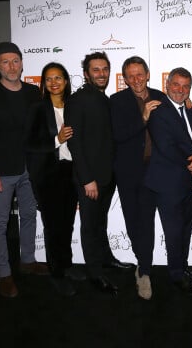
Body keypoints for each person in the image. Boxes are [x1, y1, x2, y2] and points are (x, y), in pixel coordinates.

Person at [0, 41, 49, 298]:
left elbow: (39, 131)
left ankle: (27, 261)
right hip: (1, 172)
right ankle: (4, 274)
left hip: (30, 170)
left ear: (21, 63)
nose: (11, 66)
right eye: (5, 62)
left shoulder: (32, 92)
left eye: (15, 60)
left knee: (28, 216)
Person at [65, 51, 134, 295]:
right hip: (90, 179)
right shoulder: (78, 100)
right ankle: (95, 273)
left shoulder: (104, 98)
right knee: (89, 225)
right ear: (86, 73)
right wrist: (87, 179)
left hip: (107, 177)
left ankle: (106, 259)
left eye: (105, 69)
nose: (101, 74)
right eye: (96, 70)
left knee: (100, 223)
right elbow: (75, 144)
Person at [144, 67, 192, 295]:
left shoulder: (191, 111)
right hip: (167, 183)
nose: (180, 90)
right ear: (167, 85)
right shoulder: (159, 111)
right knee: (174, 231)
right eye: (176, 85)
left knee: (186, 228)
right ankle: (177, 275)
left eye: (185, 86)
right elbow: (167, 146)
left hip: (187, 182)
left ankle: (183, 267)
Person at [110, 56, 164, 300]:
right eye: (130, 76)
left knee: (147, 222)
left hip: (154, 171)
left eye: (140, 74)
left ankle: (144, 271)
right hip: (129, 172)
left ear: (148, 74)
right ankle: (143, 263)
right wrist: (142, 117)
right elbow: (118, 135)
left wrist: (188, 104)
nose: (136, 80)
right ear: (124, 78)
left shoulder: (161, 98)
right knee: (133, 222)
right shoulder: (117, 101)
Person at [25, 62, 80, 297]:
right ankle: (56, 273)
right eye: (49, 79)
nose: (54, 82)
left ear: (66, 81)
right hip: (48, 175)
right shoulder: (38, 108)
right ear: (44, 83)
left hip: (72, 173)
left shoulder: (73, 106)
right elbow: (28, 143)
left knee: (67, 223)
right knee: (53, 226)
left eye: (58, 78)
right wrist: (56, 139)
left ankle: (66, 266)